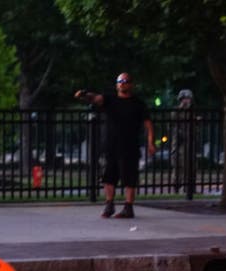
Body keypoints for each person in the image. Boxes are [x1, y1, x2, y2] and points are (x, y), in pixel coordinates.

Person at [75, 72, 155, 218]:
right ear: (116, 84)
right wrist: (85, 95)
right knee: (108, 176)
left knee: (129, 177)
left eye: (126, 81)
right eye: (120, 81)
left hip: (130, 146)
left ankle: (128, 207)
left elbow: (148, 124)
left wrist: (150, 142)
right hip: (111, 145)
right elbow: (96, 98)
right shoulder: (110, 99)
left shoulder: (138, 104)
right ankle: (109, 204)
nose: (123, 83)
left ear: (131, 84)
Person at [171, 89, 194, 192]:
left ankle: (188, 187)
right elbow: (173, 121)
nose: (186, 101)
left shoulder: (192, 111)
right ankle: (176, 184)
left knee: (189, 164)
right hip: (178, 141)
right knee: (177, 163)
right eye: (184, 99)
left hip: (189, 141)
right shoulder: (176, 110)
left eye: (187, 98)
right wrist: (181, 108)